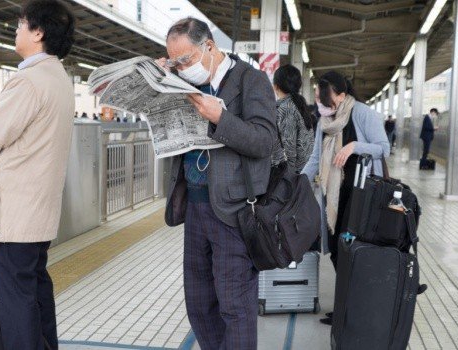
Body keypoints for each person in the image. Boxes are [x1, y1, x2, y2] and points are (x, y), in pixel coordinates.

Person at [0, 1, 75, 348]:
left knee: (16, 299)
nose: (16, 30)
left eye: (21, 24)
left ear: (38, 32)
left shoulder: (29, 81)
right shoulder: (58, 79)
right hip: (37, 210)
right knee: (36, 289)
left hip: (15, 213)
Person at [159, 17, 277, 349]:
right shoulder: (183, 84)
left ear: (209, 47)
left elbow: (265, 141)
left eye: (186, 60)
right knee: (199, 302)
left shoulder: (250, 80)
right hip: (194, 206)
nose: (182, 69)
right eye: (175, 63)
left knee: (234, 305)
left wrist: (220, 118)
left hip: (233, 210)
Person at [300, 71, 390, 326]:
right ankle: (346, 310)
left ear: (340, 95)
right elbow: (317, 159)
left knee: (355, 253)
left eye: (322, 96)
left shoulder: (363, 113)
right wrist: (298, 181)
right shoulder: (324, 122)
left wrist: (354, 147)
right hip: (334, 199)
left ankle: (355, 312)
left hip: (361, 197)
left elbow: (383, 148)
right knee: (339, 253)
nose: (318, 101)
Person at [272, 64, 316, 172]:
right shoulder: (299, 104)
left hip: (291, 176)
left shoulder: (286, 108)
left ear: (275, 86)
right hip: (304, 173)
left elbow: (288, 151)